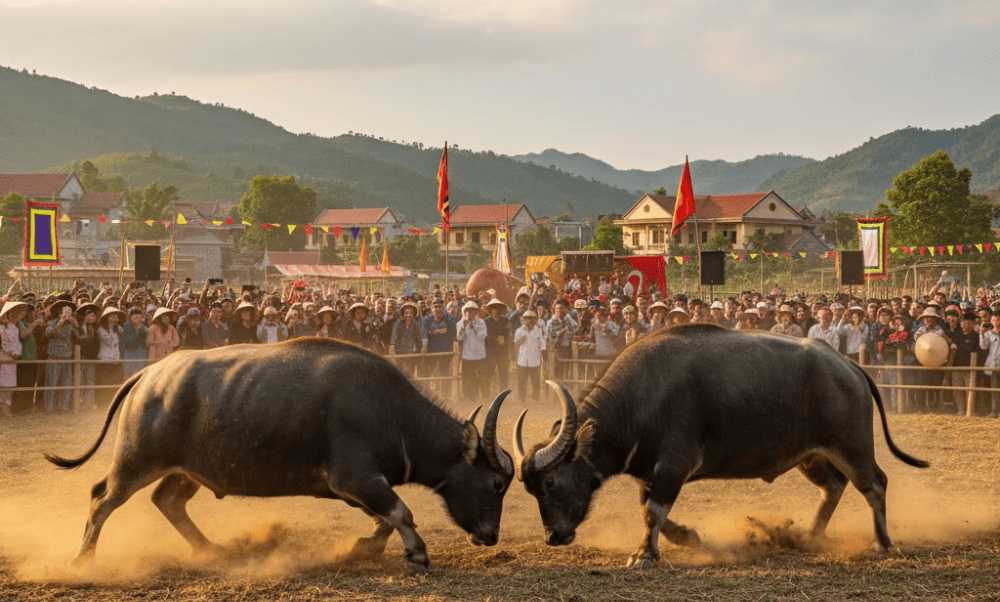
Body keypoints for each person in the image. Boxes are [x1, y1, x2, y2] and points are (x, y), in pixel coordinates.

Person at [45, 299, 78, 412]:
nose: (67, 314)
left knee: (66, 384)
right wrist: (60, 323)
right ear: (60, 313)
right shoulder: (52, 323)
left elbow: (78, 337)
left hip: (67, 357)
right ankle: (49, 408)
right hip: (54, 356)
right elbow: (49, 334)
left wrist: (75, 325)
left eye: (69, 312)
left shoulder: (72, 324)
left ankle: (63, 407)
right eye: (65, 311)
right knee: (52, 384)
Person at [456, 301, 488, 401]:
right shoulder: (460, 323)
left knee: (481, 376)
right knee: (468, 377)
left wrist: (473, 327)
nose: (470, 314)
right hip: (467, 354)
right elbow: (459, 338)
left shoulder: (481, 322)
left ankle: (482, 395)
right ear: (465, 313)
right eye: (468, 311)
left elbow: (483, 336)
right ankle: (468, 395)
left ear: (476, 312)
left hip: (479, 354)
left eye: (472, 311)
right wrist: (463, 326)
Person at [949, 312, 980, 415]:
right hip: (957, 366)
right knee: (957, 389)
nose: (964, 326)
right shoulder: (957, 336)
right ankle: (960, 410)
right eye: (962, 323)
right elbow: (952, 350)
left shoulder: (976, 336)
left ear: (972, 324)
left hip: (969, 368)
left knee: (969, 389)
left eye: (967, 323)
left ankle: (970, 410)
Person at [0, 302, 26, 417]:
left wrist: (16, 353)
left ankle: (6, 408)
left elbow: (17, 343)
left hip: (11, 359)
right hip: (3, 358)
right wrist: (7, 351)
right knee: (3, 385)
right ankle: (3, 409)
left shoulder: (14, 328)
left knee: (9, 385)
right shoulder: (1, 329)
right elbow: (3, 343)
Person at [96, 307, 125, 407]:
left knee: (114, 382)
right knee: (104, 382)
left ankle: (112, 403)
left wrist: (116, 330)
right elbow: (110, 342)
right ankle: (102, 403)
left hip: (115, 359)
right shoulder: (101, 330)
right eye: (112, 317)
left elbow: (120, 341)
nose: (114, 320)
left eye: (116, 317)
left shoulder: (118, 328)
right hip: (105, 359)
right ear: (107, 318)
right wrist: (113, 331)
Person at [514, 310, 545, 401]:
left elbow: (541, 345)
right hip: (522, 360)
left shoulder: (538, 331)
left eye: (530, 319)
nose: (528, 321)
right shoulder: (519, 331)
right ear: (523, 319)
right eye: (526, 319)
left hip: (534, 360)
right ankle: (522, 399)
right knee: (522, 382)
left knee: (535, 382)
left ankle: (535, 399)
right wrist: (520, 341)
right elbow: (515, 344)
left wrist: (542, 357)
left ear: (534, 320)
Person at [76, 303, 101, 411]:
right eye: (87, 315)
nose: (89, 318)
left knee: (90, 380)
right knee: (81, 380)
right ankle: (79, 404)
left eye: (92, 316)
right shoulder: (79, 328)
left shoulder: (96, 329)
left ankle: (89, 403)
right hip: (81, 358)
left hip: (92, 358)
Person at [546, 298, 578, 380]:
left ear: (565, 309)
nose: (559, 310)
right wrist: (561, 332)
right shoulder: (551, 322)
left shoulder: (569, 320)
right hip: (555, 349)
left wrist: (566, 318)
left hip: (566, 349)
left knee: (566, 372)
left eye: (561, 308)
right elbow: (550, 336)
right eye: (557, 308)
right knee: (555, 372)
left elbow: (576, 329)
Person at [390, 301, 424, 376]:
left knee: (410, 375)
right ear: (403, 314)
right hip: (400, 355)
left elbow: (419, 340)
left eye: (410, 313)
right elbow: (393, 340)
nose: (408, 315)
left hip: (411, 355)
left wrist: (419, 351)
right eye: (406, 313)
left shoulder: (416, 325)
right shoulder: (398, 324)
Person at [483, 299, 510, 391]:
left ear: (499, 309)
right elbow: (485, 337)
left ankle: (503, 395)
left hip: (502, 351)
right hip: (490, 351)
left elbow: (508, 335)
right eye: (492, 308)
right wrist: (495, 340)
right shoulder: (487, 321)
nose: (494, 310)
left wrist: (504, 340)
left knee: (503, 374)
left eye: (496, 308)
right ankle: (486, 394)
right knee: (488, 373)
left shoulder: (505, 321)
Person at [978, 311, 1000, 418]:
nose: (996, 322)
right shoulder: (988, 334)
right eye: (994, 320)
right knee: (994, 389)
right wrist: (981, 333)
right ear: (991, 321)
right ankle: (994, 411)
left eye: (998, 320)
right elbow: (983, 347)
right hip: (993, 364)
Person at [120, 307, 148, 379]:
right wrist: (138, 332)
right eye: (136, 317)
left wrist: (141, 330)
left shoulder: (143, 325)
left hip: (141, 355)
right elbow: (129, 342)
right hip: (130, 356)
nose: (138, 319)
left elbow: (147, 334)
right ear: (131, 317)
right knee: (129, 378)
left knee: (140, 377)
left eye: (140, 317)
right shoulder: (127, 325)